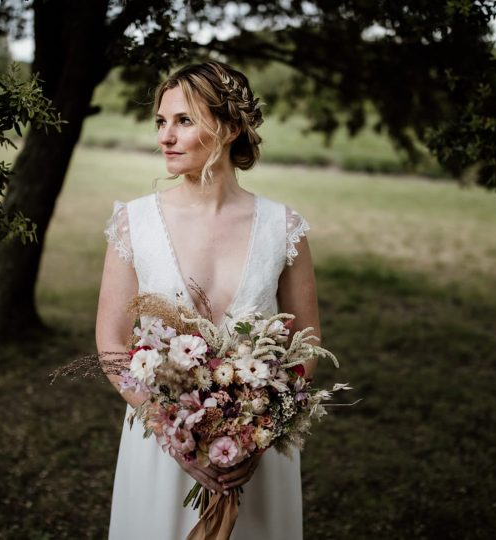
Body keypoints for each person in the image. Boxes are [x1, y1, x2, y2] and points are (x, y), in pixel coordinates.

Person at [96, 61, 321, 539]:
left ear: (231, 126)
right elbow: (112, 342)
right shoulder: (133, 223)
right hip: (160, 449)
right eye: (161, 121)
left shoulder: (283, 228)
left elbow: (307, 344)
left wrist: (257, 437)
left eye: (183, 120)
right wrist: (170, 434)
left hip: (256, 458)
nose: (165, 137)